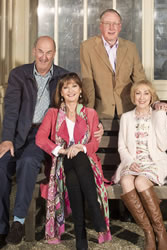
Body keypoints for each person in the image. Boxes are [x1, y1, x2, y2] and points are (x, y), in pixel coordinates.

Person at [0, 36, 68, 246]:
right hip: (19, 133)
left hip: (42, 135)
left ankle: (18, 222)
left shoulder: (63, 77)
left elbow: (76, 104)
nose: (44, 57)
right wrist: (7, 140)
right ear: (33, 51)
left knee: (28, 161)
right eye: (40, 51)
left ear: (54, 54)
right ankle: (1, 228)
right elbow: (11, 110)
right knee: (1, 166)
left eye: (49, 53)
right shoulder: (19, 75)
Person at [36, 73, 111, 249]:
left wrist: (80, 148)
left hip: (85, 163)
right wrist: (63, 150)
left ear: (80, 91)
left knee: (75, 174)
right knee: (74, 162)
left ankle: (80, 236)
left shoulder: (90, 114)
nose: (70, 90)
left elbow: (94, 143)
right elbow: (40, 138)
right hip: (61, 161)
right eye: (66, 87)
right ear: (61, 92)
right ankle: (95, 212)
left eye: (74, 86)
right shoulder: (53, 113)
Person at [112, 80, 167, 250]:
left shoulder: (158, 114)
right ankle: (148, 233)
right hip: (133, 161)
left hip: (154, 161)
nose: (142, 97)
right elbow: (122, 147)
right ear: (133, 97)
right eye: (138, 93)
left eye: (146, 93)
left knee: (140, 182)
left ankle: (161, 232)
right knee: (126, 181)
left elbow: (163, 145)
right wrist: (130, 162)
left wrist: (160, 116)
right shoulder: (126, 118)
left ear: (152, 96)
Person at [80, 8, 167, 119]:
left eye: (115, 24)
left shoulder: (130, 47)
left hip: (128, 110)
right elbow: (88, 81)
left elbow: (140, 78)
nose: (111, 28)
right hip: (101, 110)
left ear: (120, 27)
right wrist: (89, 112)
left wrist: (155, 102)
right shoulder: (87, 47)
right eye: (107, 23)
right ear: (101, 26)